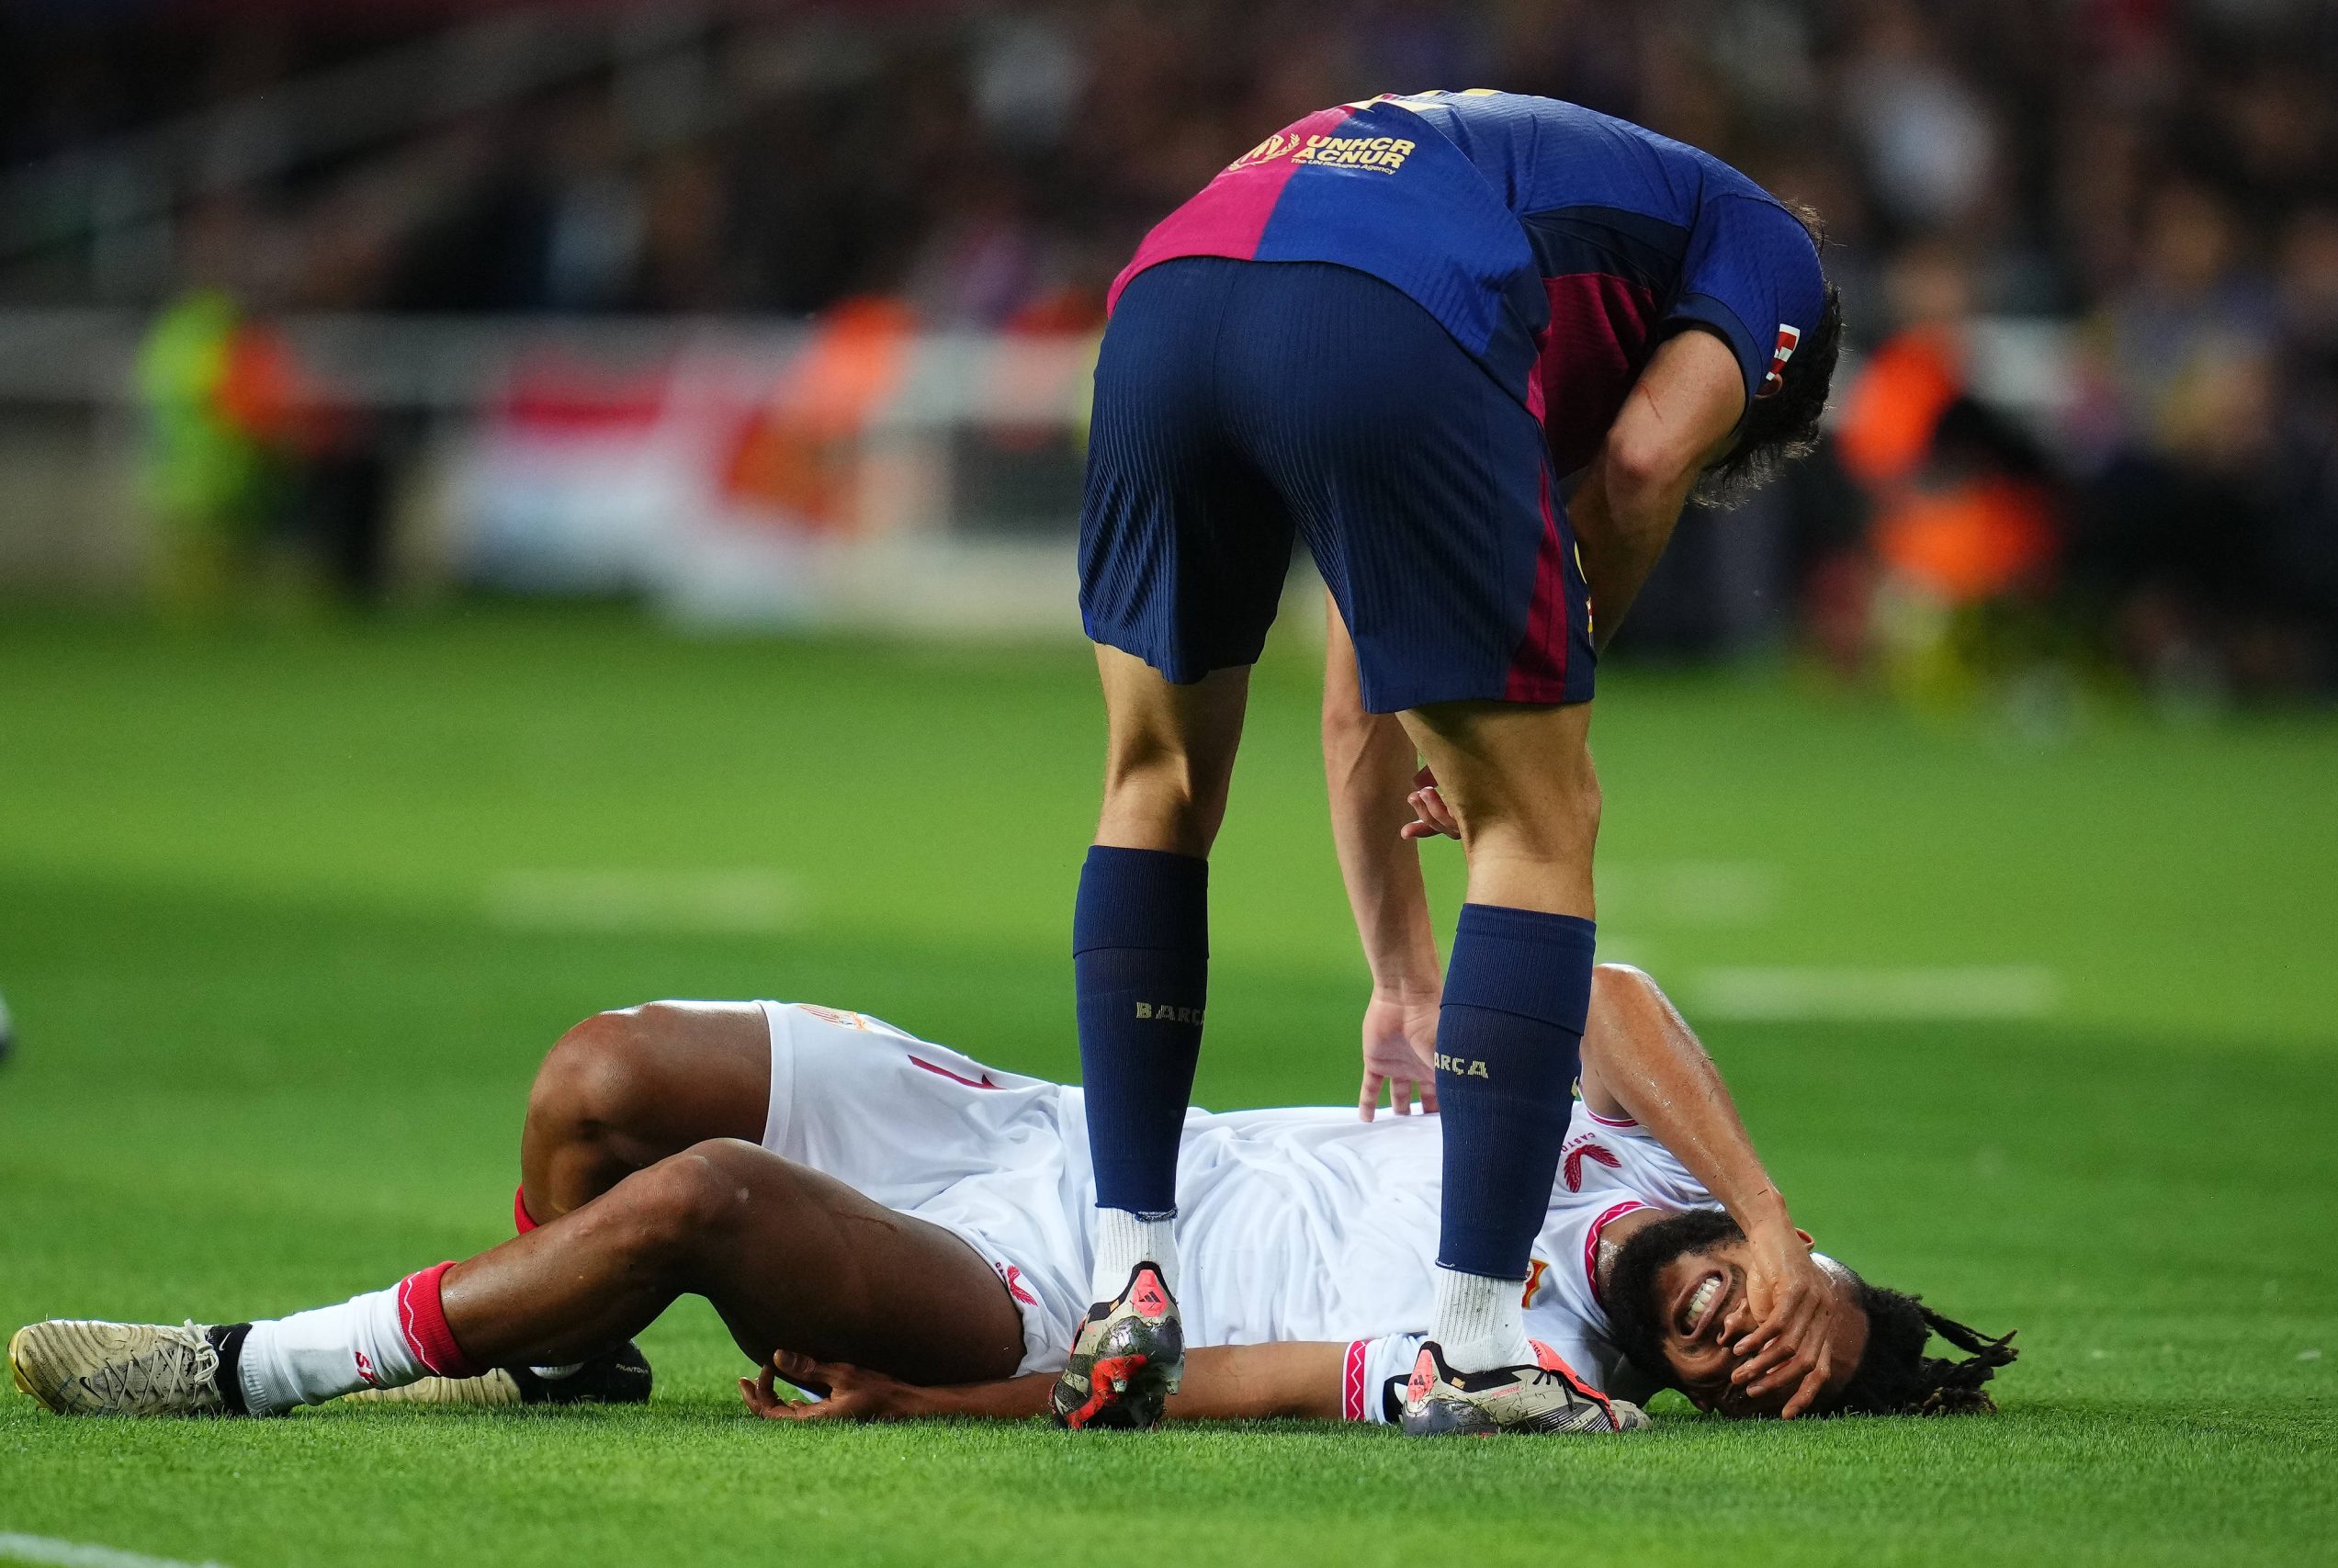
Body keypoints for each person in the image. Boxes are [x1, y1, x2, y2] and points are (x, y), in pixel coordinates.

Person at [1066, 87, 1844, 1433]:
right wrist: (1565, 670)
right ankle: (1476, 1344)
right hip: (1384, 303)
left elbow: (1362, 672)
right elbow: (1651, 459)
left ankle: (1128, 1271)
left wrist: (1402, 975)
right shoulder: (1770, 248)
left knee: (1156, 782)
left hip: (1170, 291)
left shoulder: (1542, 213)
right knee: (1542, 821)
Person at [11, 968, 2009, 1427]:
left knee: (708, 1187)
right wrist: (1759, 1204)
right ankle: (563, 1359)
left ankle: (255, 1363)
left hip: (1049, 1280)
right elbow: (1582, 976)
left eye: (1752, 1393)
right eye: (1798, 1331)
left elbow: (1238, 1380)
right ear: (1828, 1278)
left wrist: (940, 1401)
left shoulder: (1539, 1368)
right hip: (1067, 1128)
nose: (1748, 1351)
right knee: (602, 1071)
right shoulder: (1660, 1160)